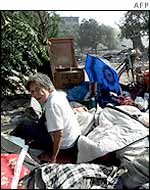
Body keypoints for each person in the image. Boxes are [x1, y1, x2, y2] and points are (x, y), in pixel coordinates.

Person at [25, 72, 81, 163]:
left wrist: (54, 157)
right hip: (74, 140)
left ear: (47, 87)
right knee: (40, 120)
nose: (35, 94)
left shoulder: (52, 105)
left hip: (66, 146)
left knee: (26, 126)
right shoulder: (59, 94)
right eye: (32, 92)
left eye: (38, 89)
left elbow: (59, 134)